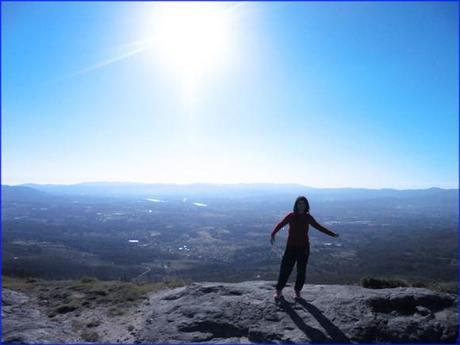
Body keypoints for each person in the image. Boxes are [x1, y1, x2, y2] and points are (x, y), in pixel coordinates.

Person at [270, 195, 339, 300]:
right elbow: (280, 224)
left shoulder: (308, 217)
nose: (301, 206)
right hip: (291, 247)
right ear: (296, 205)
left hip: (304, 248)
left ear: (306, 205)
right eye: (299, 203)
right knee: (285, 269)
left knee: (301, 271)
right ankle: (279, 291)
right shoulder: (291, 216)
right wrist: (273, 233)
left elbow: (319, 227)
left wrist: (332, 234)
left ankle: (297, 292)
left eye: (303, 204)